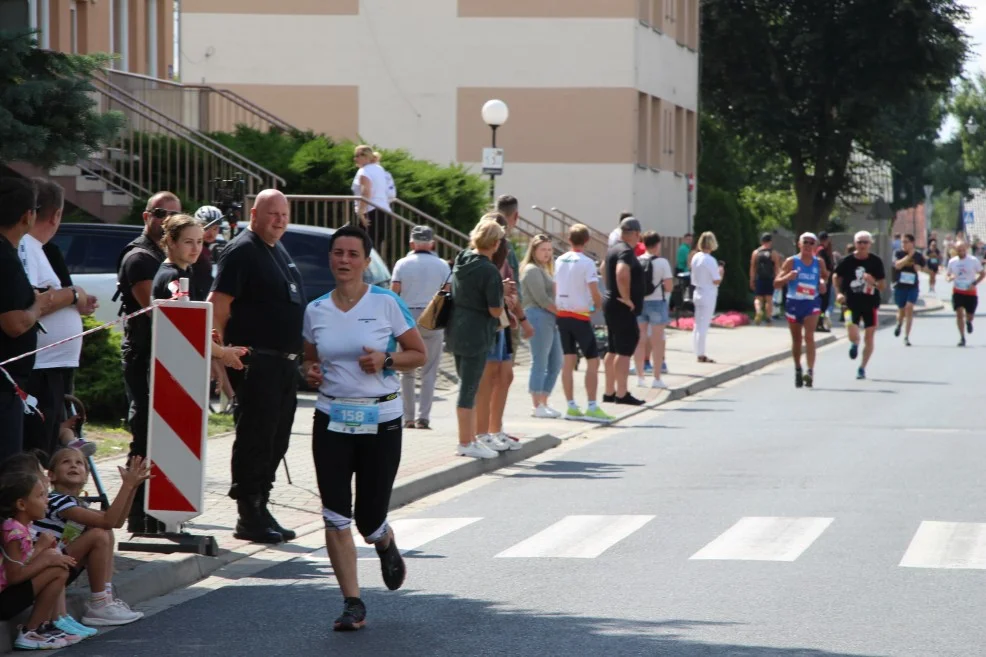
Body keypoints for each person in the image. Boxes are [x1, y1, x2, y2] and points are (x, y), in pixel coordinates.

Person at [300, 225, 426, 632]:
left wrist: (387, 360)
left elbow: (417, 353)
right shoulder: (316, 309)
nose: (344, 260)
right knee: (336, 513)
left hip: (381, 420)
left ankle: (383, 539)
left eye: (353, 254)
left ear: (366, 262)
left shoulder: (386, 303)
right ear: (330, 258)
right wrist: (311, 370)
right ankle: (352, 602)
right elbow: (309, 358)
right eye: (338, 253)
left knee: (369, 517)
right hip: (332, 418)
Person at [209, 190, 305, 544]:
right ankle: (248, 513)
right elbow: (218, 306)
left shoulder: (277, 248)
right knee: (255, 440)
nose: (279, 220)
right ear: (254, 213)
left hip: (283, 365)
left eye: (284, 214)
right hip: (255, 363)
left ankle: (262, 503)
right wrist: (219, 359)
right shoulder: (242, 249)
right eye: (272, 213)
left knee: (275, 440)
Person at [19, 180, 97, 457]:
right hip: (39, 367)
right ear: (56, 215)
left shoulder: (37, 247)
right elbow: (33, 300)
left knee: (48, 440)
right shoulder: (26, 246)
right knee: (37, 447)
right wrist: (73, 295)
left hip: (50, 365)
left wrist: (75, 303)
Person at [116, 191, 179, 533]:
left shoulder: (165, 257)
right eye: (159, 212)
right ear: (146, 216)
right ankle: (134, 513)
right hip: (143, 356)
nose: (165, 218)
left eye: (173, 214)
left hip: (164, 358)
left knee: (158, 436)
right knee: (144, 436)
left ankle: (153, 511)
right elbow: (159, 314)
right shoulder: (141, 258)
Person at [35, 448, 149, 626]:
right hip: (42, 571)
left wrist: (132, 487)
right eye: (66, 462)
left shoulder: (75, 503)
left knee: (104, 531)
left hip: (57, 565)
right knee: (98, 534)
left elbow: (116, 522)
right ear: (51, 475)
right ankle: (99, 604)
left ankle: (105, 598)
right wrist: (127, 486)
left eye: (79, 463)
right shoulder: (57, 500)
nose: (73, 465)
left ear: (86, 476)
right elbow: (108, 520)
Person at [0, 179, 54, 463]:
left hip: (10, 383)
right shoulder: (5, 258)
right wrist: (37, 306)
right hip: (4, 384)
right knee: (7, 468)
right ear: (27, 216)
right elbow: (14, 323)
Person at [473, 197, 533, 451]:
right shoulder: (481, 261)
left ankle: (495, 429)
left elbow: (510, 289)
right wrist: (520, 316)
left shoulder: (504, 256)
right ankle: (482, 432)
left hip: (503, 321)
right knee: (488, 378)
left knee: (504, 376)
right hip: (492, 321)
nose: (501, 242)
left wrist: (517, 316)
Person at [447, 218, 507, 459]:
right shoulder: (489, 270)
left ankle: (470, 438)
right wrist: (503, 296)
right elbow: (494, 309)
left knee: (466, 384)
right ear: (494, 243)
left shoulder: (462, 259)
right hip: (477, 332)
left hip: (456, 328)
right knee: (469, 388)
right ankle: (465, 442)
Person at [0, 470, 79, 649]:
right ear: (21, 504)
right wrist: (45, 558)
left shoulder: (22, 527)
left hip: (10, 594)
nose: (47, 500)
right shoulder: (13, 533)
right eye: (41, 495)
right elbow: (13, 576)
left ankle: (41, 626)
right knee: (57, 569)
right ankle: (31, 631)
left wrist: (45, 553)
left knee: (57, 564)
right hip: (4, 601)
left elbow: (23, 563)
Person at [391, 226, 451, 430]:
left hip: (407, 319)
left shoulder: (402, 264)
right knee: (429, 371)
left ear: (411, 243)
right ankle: (423, 417)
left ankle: (407, 418)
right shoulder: (442, 265)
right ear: (432, 243)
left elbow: (394, 293)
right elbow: (447, 293)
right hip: (432, 318)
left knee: (406, 371)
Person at [554, 225, 613, 423]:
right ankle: (592, 405)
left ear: (568, 239)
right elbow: (594, 289)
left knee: (568, 360)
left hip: (562, 313)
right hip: (580, 314)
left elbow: (556, 285)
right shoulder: (587, 262)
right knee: (593, 360)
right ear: (586, 241)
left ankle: (571, 405)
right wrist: (597, 305)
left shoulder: (559, 260)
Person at [602, 217, 646, 406]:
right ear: (636, 234)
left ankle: (609, 391)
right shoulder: (626, 252)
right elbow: (621, 273)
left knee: (613, 348)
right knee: (624, 349)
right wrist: (626, 297)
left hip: (611, 303)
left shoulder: (613, 249)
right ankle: (621, 393)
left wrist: (610, 290)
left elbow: (604, 268)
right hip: (621, 307)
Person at [777, 233, 828, 388]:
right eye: (805, 242)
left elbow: (825, 277)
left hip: (811, 303)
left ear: (815, 246)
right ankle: (798, 369)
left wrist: (822, 282)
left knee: (809, 337)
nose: (808, 245)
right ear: (799, 244)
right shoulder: (791, 261)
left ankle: (810, 371)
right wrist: (788, 277)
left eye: (811, 243)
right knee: (797, 340)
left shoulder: (818, 262)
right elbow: (776, 282)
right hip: (793, 302)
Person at [520, 234, 563, 417]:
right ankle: (536, 405)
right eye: (543, 249)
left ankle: (544, 402)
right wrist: (562, 313)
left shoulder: (544, 269)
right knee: (540, 360)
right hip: (538, 316)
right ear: (534, 251)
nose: (547, 253)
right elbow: (542, 299)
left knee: (556, 361)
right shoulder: (531, 270)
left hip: (549, 318)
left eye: (549, 249)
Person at [833, 231, 886, 380]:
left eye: (865, 242)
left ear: (870, 244)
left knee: (869, 337)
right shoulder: (847, 260)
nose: (862, 245)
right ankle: (855, 344)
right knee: (852, 331)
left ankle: (862, 367)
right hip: (850, 303)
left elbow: (882, 285)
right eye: (859, 242)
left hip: (870, 304)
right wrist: (838, 292)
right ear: (855, 244)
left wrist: (873, 282)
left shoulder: (876, 261)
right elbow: (836, 276)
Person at [633, 231, 673, 390]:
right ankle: (656, 378)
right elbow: (669, 286)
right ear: (657, 244)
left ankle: (640, 377)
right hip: (657, 302)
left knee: (640, 339)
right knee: (658, 341)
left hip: (640, 303)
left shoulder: (636, 261)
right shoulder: (662, 262)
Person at [352, 145, 393, 253]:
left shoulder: (364, 171)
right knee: (374, 249)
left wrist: (361, 213)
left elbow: (366, 192)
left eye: (357, 156)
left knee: (364, 249)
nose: (355, 159)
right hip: (384, 211)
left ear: (365, 157)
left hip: (371, 212)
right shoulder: (379, 169)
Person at [690, 232, 723, 363]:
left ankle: (697, 349)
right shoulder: (710, 260)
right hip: (708, 292)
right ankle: (701, 354)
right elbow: (716, 280)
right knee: (704, 324)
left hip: (697, 290)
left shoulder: (696, 257)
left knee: (697, 324)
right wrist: (721, 273)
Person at [946, 241, 985, 347]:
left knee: (970, 315)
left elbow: (982, 274)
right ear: (956, 250)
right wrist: (949, 278)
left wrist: (975, 283)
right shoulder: (952, 261)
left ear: (966, 249)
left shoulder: (973, 260)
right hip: (958, 291)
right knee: (959, 313)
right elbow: (948, 274)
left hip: (970, 292)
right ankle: (962, 337)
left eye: (962, 249)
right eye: (959, 250)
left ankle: (969, 322)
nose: (961, 251)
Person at [892, 233, 926, 346]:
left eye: (906, 242)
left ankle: (906, 337)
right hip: (900, 286)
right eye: (902, 242)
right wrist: (909, 256)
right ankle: (899, 324)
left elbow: (925, 268)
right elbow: (897, 265)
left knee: (909, 307)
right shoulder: (898, 253)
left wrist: (919, 268)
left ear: (912, 243)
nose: (904, 244)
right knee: (901, 311)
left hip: (912, 286)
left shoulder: (918, 255)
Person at [750, 233, 781, 325]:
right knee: (769, 299)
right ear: (770, 241)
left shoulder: (756, 252)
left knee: (758, 298)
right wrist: (778, 279)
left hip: (759, 278)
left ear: (761, 241)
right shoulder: (773, 253)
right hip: (769, 278)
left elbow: (753, 267)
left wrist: (752, 279)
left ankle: (759, 311)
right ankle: (768, 318)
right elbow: (777, 268)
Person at [191, 205, 224, 294]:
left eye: (215, 228)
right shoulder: (192, 248)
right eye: (206, 227)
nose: (211, 232)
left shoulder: (220, 247)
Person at [815, 231, 835, 332]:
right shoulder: (821, 251)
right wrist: (826, 275)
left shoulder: (820, 250)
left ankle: (820, 322)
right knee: (823, 303)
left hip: (825, 280)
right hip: (825, 280)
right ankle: (819, 323)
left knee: (824, 303)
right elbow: (822, 265)